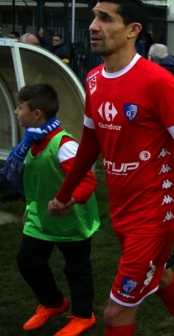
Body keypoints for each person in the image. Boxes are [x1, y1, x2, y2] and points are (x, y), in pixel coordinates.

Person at [48, 0, 174, 336]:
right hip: (123, 211)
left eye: (106, 18)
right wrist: (66, 194)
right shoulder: (94, 79)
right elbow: (89, 146)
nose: (93, 26)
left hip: (154, 215)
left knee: (114, 315)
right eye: (94, 16)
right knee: (162, 275)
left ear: (132, 30)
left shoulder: (157, 81)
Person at [7, 84, 99, 336]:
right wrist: (31, 206)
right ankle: (54, 303)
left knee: (76, 269)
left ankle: (84, 315)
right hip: (40, 218)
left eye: (20, 107)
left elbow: (87, 180)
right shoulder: (31, 142)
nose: (15, 111)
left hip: (70, 222)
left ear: (36, 113)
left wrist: (68, 201)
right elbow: (38, 179)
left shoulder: (63, 144)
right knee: (27, 261)